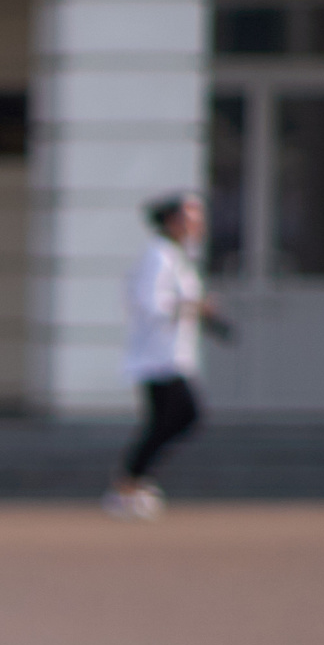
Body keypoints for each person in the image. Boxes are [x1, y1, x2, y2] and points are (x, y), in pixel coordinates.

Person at [110, 190, 212, 520]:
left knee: (164, 421)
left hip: (171, 354)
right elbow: (151, 302)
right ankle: (130, 483)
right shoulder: (159, 255)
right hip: (156, 357)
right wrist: (192, 306)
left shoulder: (177, 256)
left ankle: (134, 483)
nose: (198, 224)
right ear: (172, 221)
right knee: (184, 415)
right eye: (191, 217)